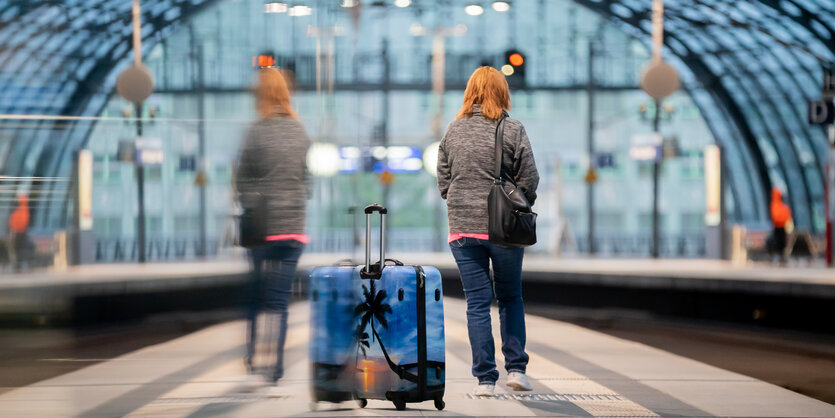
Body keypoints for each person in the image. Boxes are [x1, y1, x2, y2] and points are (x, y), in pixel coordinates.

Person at [436, 66, 540, 396]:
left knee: (477, 304)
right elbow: (530, 177)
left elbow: (443, 179)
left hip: (463, 229)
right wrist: (516, 202)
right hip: (504, 229)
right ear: (502, 92)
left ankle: (484, 380)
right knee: (509, 297)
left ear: (470, 92)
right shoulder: (512, 128)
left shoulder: (453, 130)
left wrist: (461, 201)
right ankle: (516, 370)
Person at [236, 68, 310, 393]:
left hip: (262, 226)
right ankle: (276, 367)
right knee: (280, 300)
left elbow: (242, 178)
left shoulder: (256, 131)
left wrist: (252, 201)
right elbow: (308, 180)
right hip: (293, 228)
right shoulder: (299, 131)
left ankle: (254, 359)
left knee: (255, 295)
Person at [8, 194, 30, 271]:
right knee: (20, 249)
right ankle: (19, 264)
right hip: (21, 233)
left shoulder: (20, 212)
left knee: (18, 249)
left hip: (19, 233)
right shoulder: (23, 211)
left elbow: (14, 225)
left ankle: (18, 265)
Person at [770, 187, 792, 264]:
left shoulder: (777, 205)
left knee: (781, 242)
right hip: (779, 227)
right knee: (780, 242)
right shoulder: (777, 205)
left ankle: (781, 256)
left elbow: (777, 216)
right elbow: (776, 216)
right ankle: (780, 256)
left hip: (780, 227)